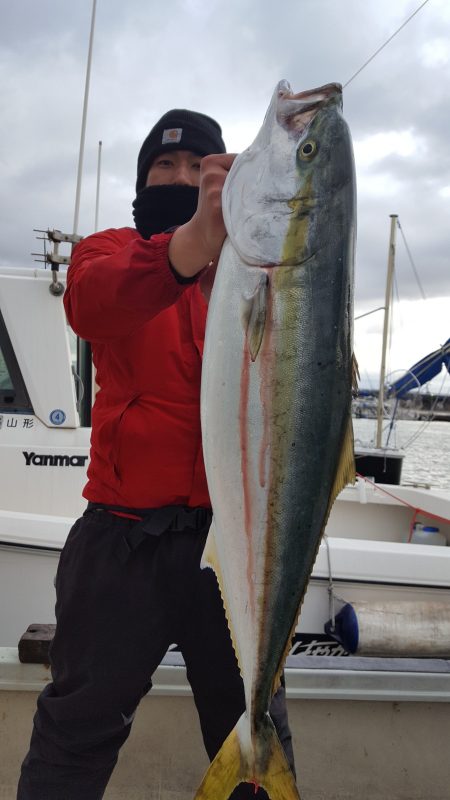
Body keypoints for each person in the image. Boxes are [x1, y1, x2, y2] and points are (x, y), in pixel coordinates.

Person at [17, 109, 295, 800]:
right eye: (161, 167)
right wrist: (197, 238)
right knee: (75, 736)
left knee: (255, 737)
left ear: (219, 178)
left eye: (196, 165)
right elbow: (92, 305)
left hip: (232, 543)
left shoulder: (256, 272)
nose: (178, 176)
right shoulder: (108, 251)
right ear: (142, 182)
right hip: (121, 542)